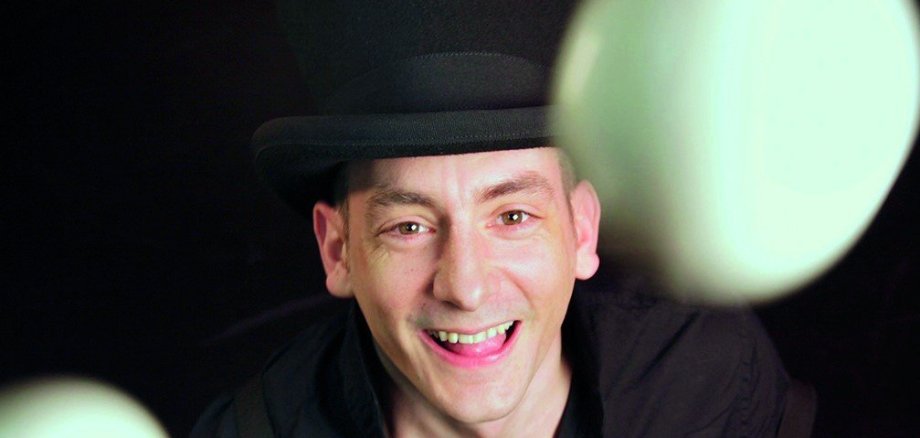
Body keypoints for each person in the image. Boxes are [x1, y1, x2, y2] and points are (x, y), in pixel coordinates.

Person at [192, 1, 807, 436]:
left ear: (582, 230)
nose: (465, 287)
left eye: (512, 215)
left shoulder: (711, 379)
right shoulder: (255, 430)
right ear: (338, 250)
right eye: (409, 227)